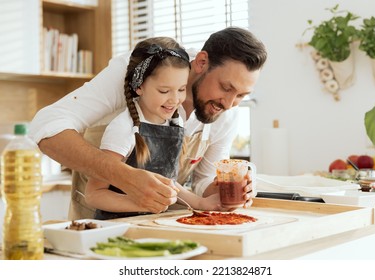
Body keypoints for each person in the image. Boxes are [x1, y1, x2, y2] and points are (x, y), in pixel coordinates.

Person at [29, 27, 267, 219]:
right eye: (226, 87)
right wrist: (125, 177)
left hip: (163, 228)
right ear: (202, 62)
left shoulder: (227, 111)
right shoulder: (144, 68)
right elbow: (45, 125)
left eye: (242, 95)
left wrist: (221, 192)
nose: (229, 103)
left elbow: (201, 181)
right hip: (96, 228)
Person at [84, 37, 222, 219]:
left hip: (152, 223)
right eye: (164, 91)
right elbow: (94, 194)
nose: (175, 100)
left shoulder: (174, 122)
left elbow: (166, 183)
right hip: (119, 228)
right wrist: (141, 201)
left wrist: (200, 203)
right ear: (139, 86)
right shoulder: (123, 129)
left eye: (181, 89)